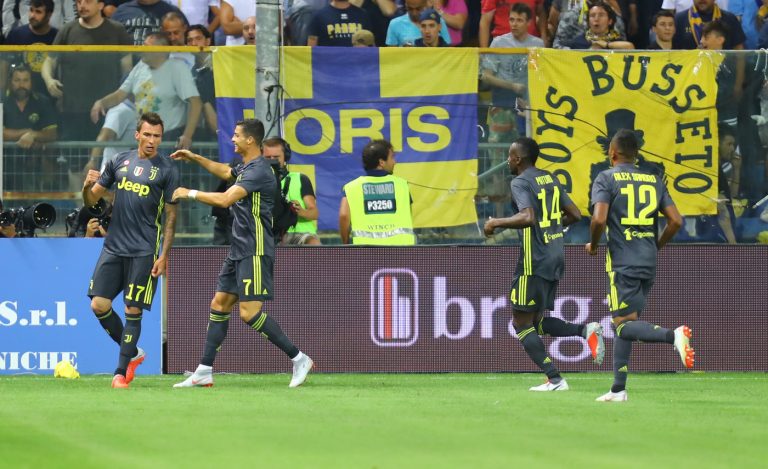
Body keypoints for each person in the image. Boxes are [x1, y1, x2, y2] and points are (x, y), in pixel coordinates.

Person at [169, 119, 314, 388]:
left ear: (250, 140)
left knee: (249, 313)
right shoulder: (247, 167)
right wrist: (195, 157)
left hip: (255, 249)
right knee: (219, 304)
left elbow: (225, 199)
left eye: (236, 135)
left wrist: (189, 193)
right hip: (239, 248)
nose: (232, 139)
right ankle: (204, 371)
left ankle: (299, 358)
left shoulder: (259, 170)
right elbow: (226, 171)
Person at [484, 137, 604, 391]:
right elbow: (575, 214)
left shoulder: (520, 182)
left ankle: (555, 379)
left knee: (520, 324)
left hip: (534, 260)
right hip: (555, 256)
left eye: (510, 156)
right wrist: (550, 228)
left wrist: (495, 223)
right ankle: (586, 331)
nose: (507, 160)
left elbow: (527, 217)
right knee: (535, 322)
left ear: (518, 159)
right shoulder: (549, 178)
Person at [586, 129, 693, 402]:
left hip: (622, 261)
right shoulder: (654, 179)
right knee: (627, 323)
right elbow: (676, 221)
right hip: (648, 260)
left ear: (612, 152)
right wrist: (655, 246)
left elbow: (598, 219)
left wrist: (594, 244)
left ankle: (673, 336)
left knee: (623, 325)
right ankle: (618, 389)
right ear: (636, 154)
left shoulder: (606, 177)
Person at [82, 112, 180, 389]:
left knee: (132, 309)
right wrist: (86, 187)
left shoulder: (168, 169)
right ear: (137, 135)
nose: (151, 140)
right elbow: (91, 200)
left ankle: (120, 372)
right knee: (98, 304)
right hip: (114, 247)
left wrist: (164, 255)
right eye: (147, 134)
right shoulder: (118, 161)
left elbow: (171, 217)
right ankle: (134, 352)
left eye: (157, 136)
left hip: (144, 250)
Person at [339, 139, 415, 245]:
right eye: (392, 157)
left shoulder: (351, 187)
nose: (394, 162)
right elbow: (408, 215)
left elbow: (344, 215)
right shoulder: (402, 185)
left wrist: (346, 243)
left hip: (365, 250)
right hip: (400, 249)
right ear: (381, 162)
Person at [262, 137, 321, 245]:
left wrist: (300, 211)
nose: (272, 160)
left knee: (312, 242)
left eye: (276, 157)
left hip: (300, 235)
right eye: (268, 157)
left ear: (286, 157)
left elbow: (314, 213)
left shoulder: (300, 178)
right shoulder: (257, 181)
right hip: (270, 235)